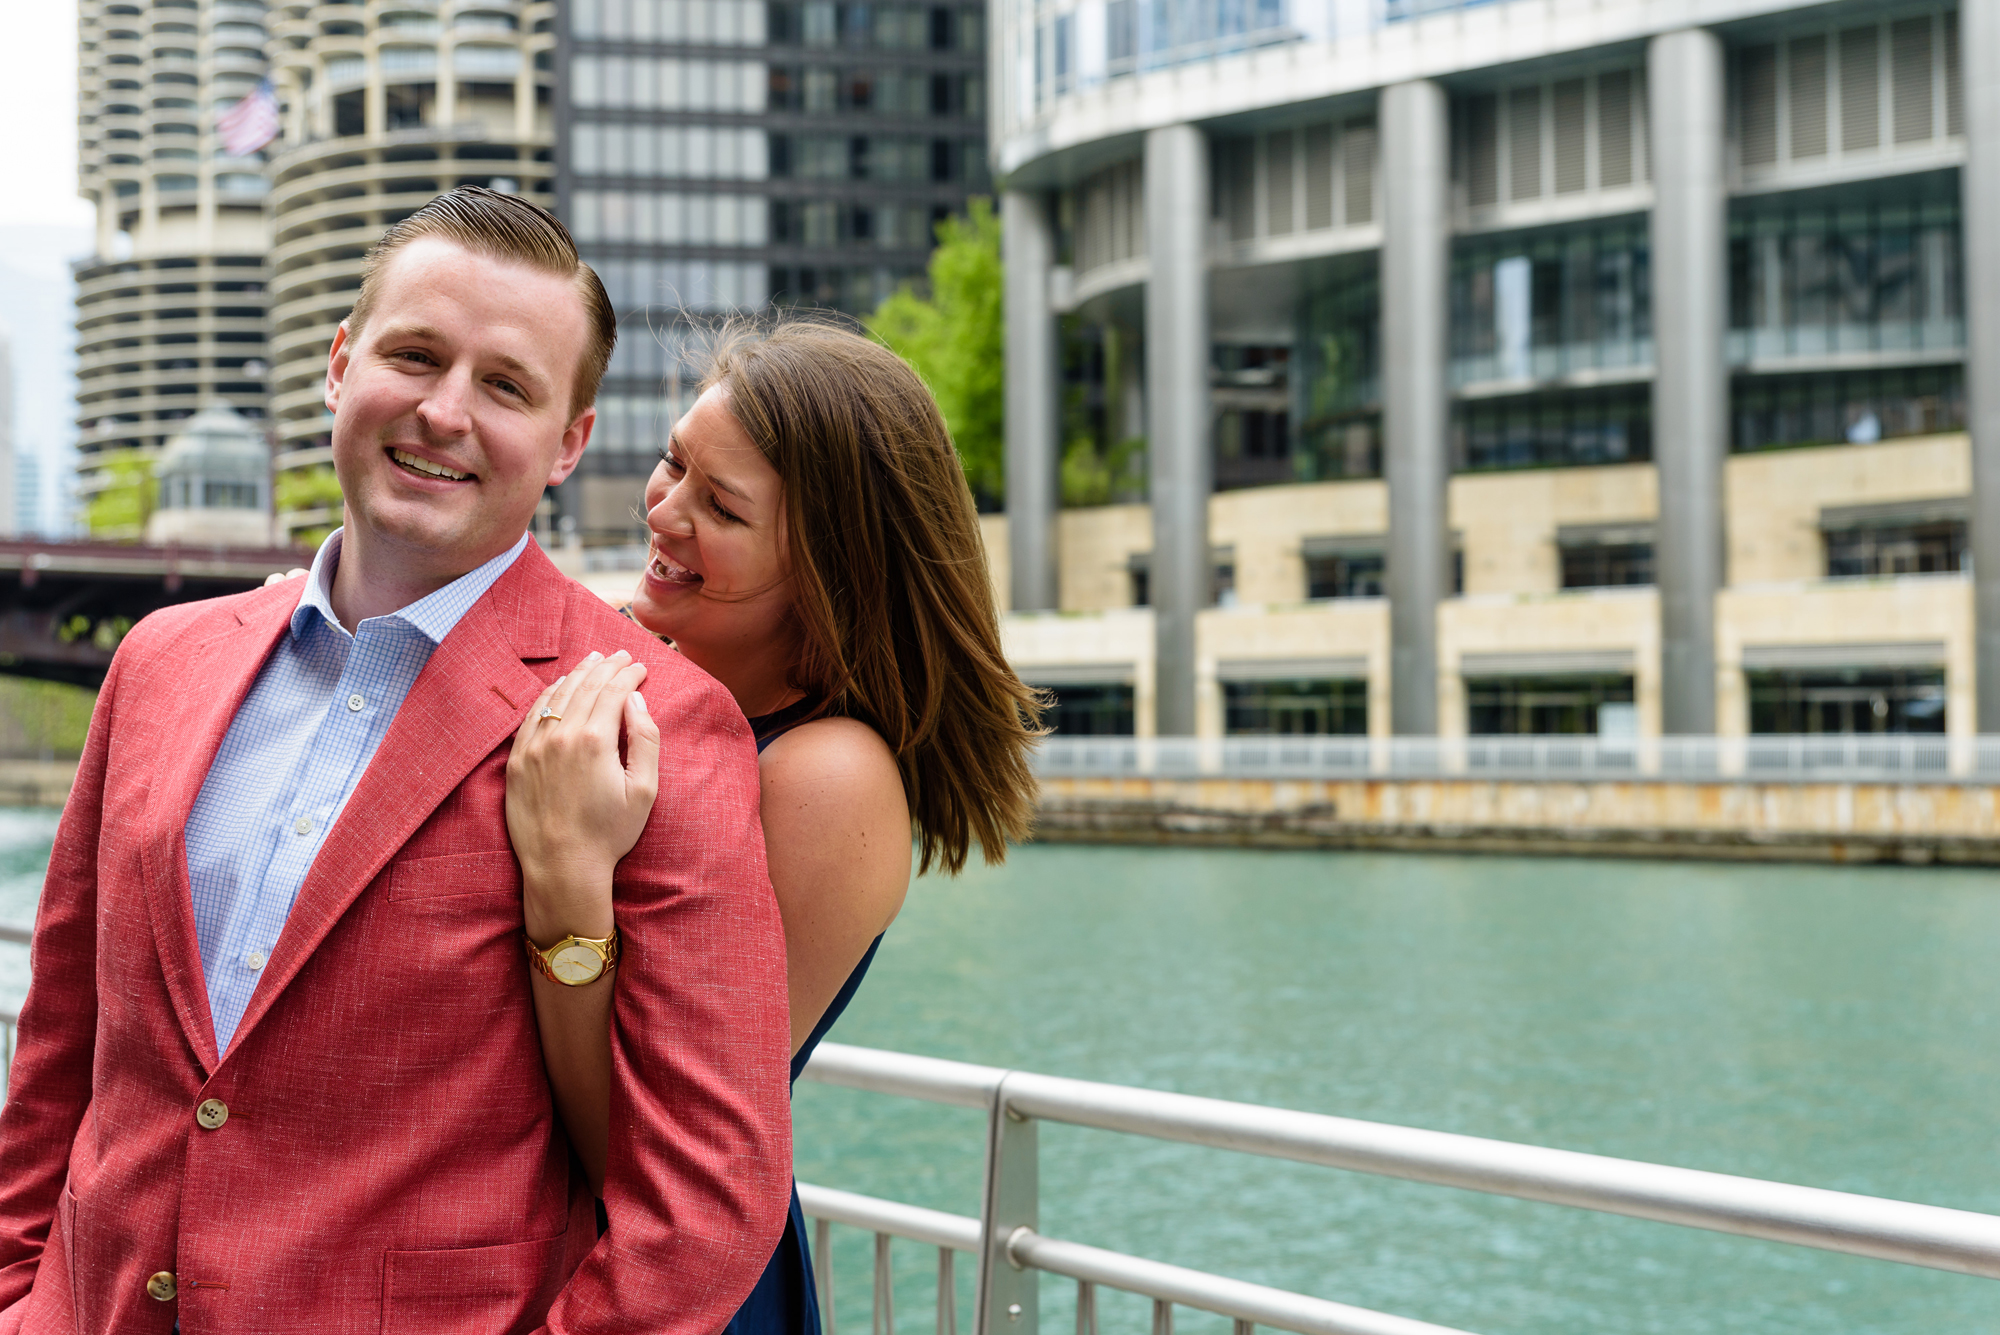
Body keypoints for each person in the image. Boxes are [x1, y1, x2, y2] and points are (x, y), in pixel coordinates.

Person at [0, 187, 795, 1335]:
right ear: (338, 363)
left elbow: (709, 1203)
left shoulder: (661, 720)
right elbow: (59, 1054)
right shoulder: (157, 664)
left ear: (569, 443)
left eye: (507, 385)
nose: (443, 412)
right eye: (414, 355)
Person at [503, 320, 1043, 1335]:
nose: (664, 511)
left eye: (725, 508)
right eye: (672, 463)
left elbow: (649, 1143)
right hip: (520, 1248)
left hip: (669, 1287)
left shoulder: (830, 776)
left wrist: (567, 882)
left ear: (828, 569)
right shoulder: (638, 685)